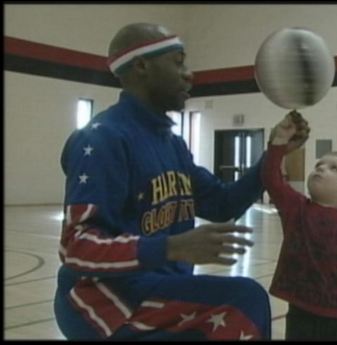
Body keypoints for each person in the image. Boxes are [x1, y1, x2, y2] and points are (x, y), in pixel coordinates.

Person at [54, 23, 310, 340]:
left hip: (155, 289)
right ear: (142, 66)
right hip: (104, 301)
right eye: (178, 62)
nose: (189, 74)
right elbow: (76, 247)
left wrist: (275, 151)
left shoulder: (171, 143)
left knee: (240, 303)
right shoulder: (104, 137)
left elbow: (221, 204)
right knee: (244, 302)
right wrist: (172, 247)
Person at [262, 111, 337, 340]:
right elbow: (272, 179)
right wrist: (278, 144)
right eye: (319, 165)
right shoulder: (296, 209)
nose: (321, 168)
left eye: (333, 168)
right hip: (299, 313)